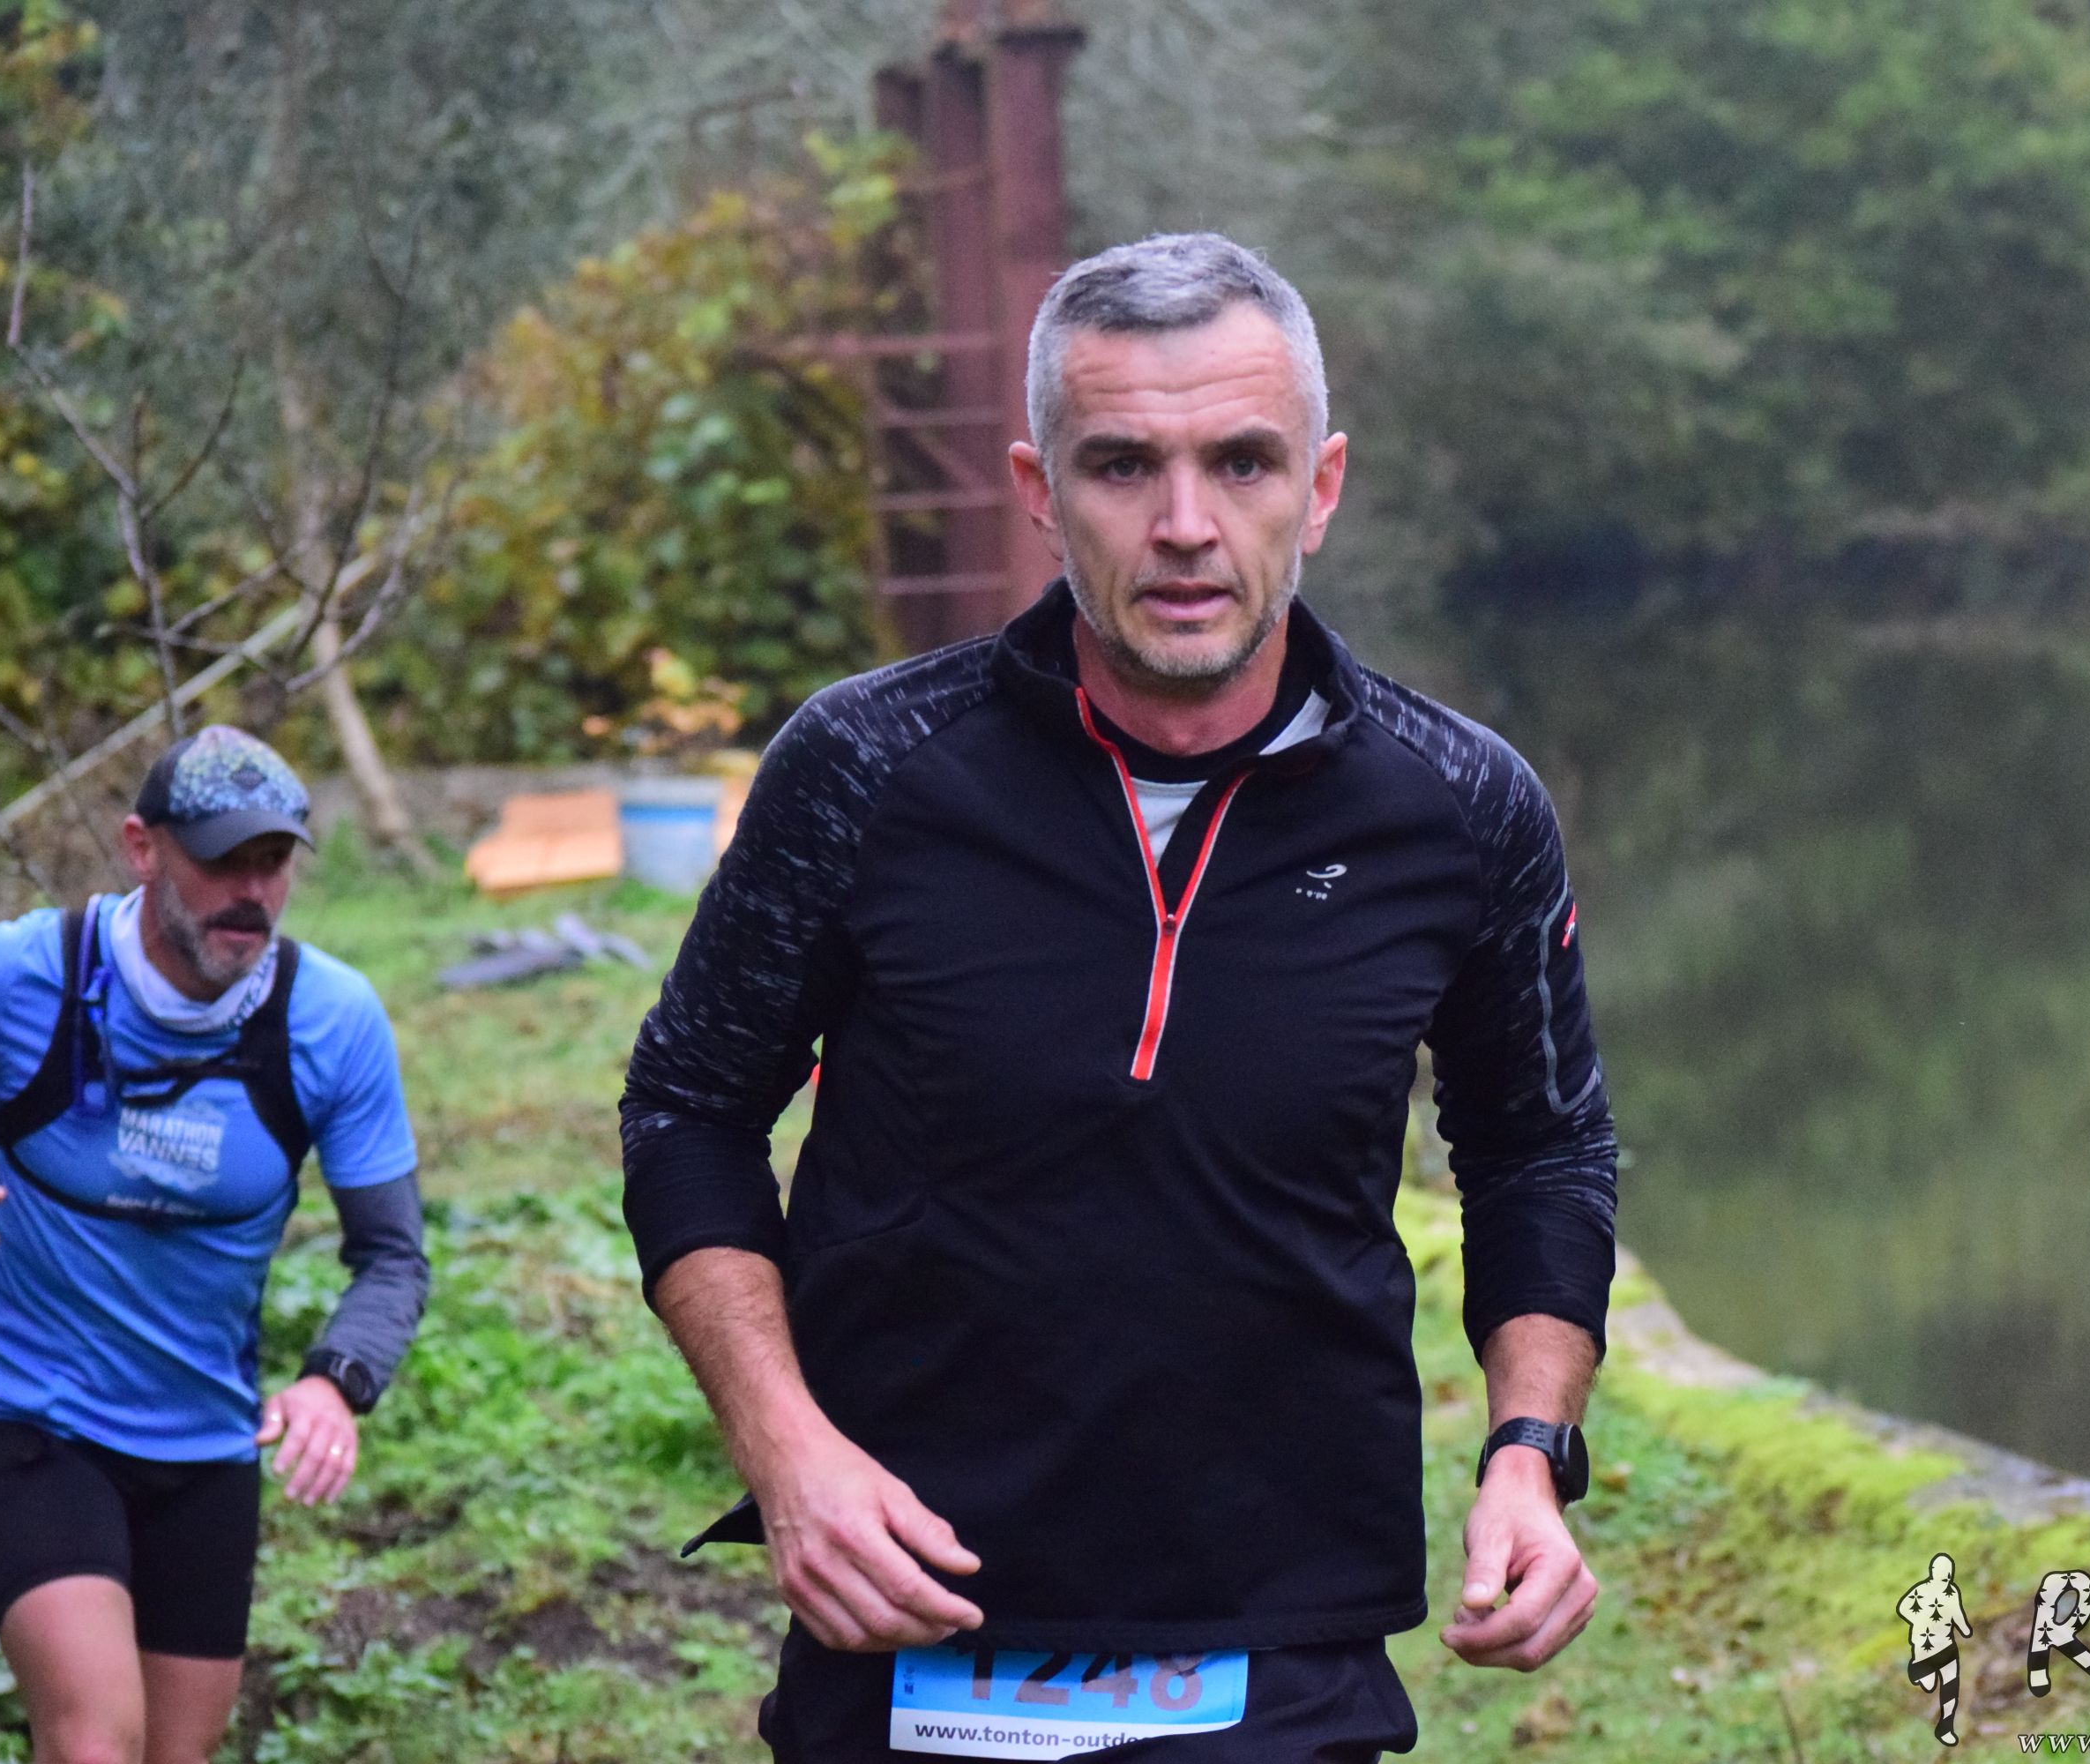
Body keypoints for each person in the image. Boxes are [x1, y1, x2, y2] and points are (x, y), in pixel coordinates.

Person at [622, 231, 1617, 1760]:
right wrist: (783, 1449)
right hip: (911, 1608)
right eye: (1121, 466)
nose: (1184, 525)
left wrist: (1527, 1455)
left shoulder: (1460, 807)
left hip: (1280, 1633)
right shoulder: (866, 769)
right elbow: (688, 1109)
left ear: (1322, 488)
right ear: (1039, 489)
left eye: (1241, 462)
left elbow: (1540, 1148)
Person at [0, 726, 429, 1764]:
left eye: (273, 861)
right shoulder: (19, 975)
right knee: (94, 1742)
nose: (250, 891)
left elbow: (392, 1254)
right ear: (142, 848)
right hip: (24, 1406)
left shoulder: (331, 1019)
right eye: (221, 859)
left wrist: (334, 1379)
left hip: (203, 1437)